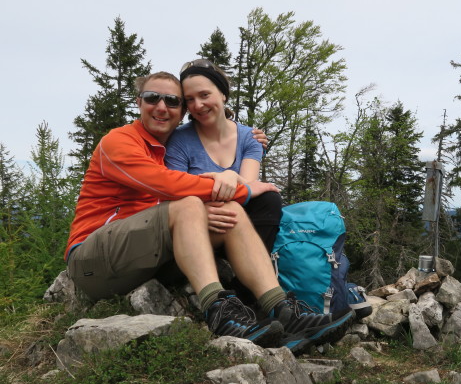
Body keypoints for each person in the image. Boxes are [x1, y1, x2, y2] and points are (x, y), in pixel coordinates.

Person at [65, 71, 354, 354]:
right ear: (139, 102)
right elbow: (167, 186)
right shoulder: (120, 142)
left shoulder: (168, 146)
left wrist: (248, 140)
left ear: (182, 112)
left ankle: (282, 310)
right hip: (94, 261)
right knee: (190, 203)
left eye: (173, 101)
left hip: (145, 258)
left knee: (228, 212)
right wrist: (243, 189)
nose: (162, 107)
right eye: (152, 98)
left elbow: (195, 167)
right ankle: (220, 312)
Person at [165, 59, 282, 252]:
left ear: (223, 94)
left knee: (269, 199)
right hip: (198, 226)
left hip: (238, 220)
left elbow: (250, 189)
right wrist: (200, 210)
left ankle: (248, 276)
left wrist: (233, 177)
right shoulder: (179, 140)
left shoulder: (250, 137)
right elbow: (175, 192)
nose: (198, 105)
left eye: (204, 95)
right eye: (190, 99)